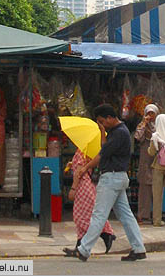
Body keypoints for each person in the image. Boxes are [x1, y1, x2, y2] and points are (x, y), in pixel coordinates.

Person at [63, 104, 146, 262]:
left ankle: (84, 249)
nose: (102, 124)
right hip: (118, 178)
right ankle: (138, 248)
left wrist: (85, 167)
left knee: (99, 215)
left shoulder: (120, 133)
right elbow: (105, 147)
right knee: (126, 216)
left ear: (110, 117)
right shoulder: (117, 132)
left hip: (111, 178)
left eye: (102, 121)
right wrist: (102, 133)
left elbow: (102, 154)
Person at [63, 148, 116, 255]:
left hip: (82, 186)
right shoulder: (88, 152)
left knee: (80, 216)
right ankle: (80, 246)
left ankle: (105, 234)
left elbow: (79, 171)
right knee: (88, 214)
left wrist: (73, 188)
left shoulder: (81, 151)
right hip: (88, 185)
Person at [134, 103, 158, 224]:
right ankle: (143, 215)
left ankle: (156, 215)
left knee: (157, 188)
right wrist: (144, 124)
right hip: (145, 160)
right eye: (148, 113)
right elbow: (137, 137)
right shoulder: (142, 125)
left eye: (152, 113)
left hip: (157, 160)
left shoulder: (160, 125)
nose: (150, 116)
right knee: (144, 188)